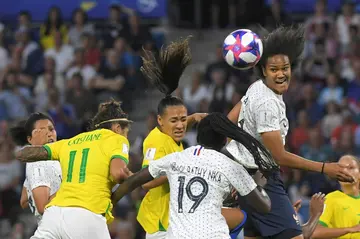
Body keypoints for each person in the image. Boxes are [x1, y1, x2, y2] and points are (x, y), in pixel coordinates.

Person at [226, 25, 354, 239]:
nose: (281, 74)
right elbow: (279, 155)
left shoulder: (257, 88)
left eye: (285, 68)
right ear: (263, 70)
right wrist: (325, 168)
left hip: (247, 182)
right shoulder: (267, 102)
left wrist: (237, 168)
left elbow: (228, 123)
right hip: (263, 181)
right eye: (274, 70)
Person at [136, 37, 249, 239]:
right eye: (174, 121)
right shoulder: (155, 142)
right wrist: (179, 172)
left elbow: (179, 123)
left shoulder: (171, 134)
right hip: (160, 225)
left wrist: (195, 118)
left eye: (182, 119)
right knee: (241, 218)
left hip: (177, 223)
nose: (180, 125)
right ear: (159, 121)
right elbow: (146, 182)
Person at [112, 112, 273, 239]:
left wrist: (111, 200)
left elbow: (135, 180)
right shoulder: (230, 166)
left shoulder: (177, 158)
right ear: (224, 140)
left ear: (198, 137)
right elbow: (264, 206)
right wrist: (256, 183)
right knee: (243, 217)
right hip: (213, 235)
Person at [15, 100, 132, 239]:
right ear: (117, 128)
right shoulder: (116, 139)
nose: (126, 135)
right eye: (126, 131)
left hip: (53, 216)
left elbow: (22, 154)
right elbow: (118, 173)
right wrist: (129, 175)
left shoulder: (70, 142)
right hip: (86, 216)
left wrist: (36, 141)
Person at [10, 112, 61, 224]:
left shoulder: (50, 160)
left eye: (51, 129)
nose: (49, 134)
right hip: (56, 228)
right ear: (30, 139)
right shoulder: (39, 163)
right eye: (42, 131)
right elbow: (43, 206)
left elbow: (24, 201)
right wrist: (71, 187)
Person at [312, 155, 360, 239]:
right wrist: (350, 229)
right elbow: (315, 232)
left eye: (350, 168)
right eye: (341, 169)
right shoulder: (331, 199)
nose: (345, 171)